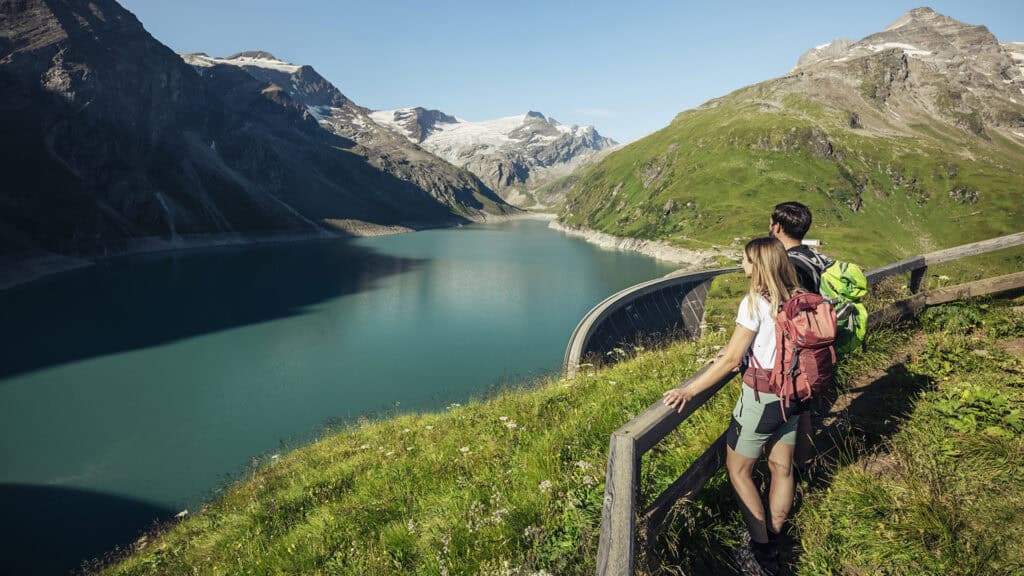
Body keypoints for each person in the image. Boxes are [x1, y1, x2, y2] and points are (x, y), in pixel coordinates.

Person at [663, 237, 803, 575]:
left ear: (757, 265)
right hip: (795, 393)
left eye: (745, 259)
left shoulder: (754, 302)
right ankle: (775, 534)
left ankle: (762, 550)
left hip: (763, 398)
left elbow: (730, 360)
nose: (741, 264)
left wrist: (689, 390)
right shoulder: (797, 297)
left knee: (739, 471)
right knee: (782, 468)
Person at [768, 201, 833, 472]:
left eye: (771, 223)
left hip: (795, 348)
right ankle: (804, 466)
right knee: (803, 408)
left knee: (791, 409)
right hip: (816, 340)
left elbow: (783, 309)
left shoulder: (790, 264)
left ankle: (790, 469)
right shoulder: (813, 256)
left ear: (778, 226)